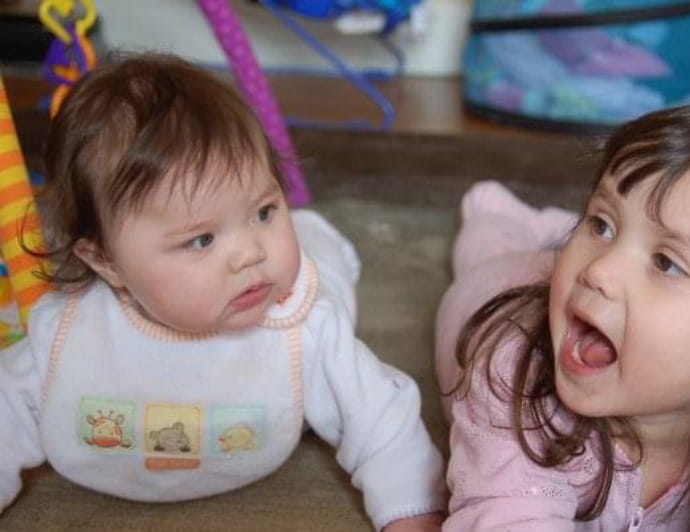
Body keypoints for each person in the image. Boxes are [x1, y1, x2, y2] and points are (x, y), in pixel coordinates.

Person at [0, 53, 445, 532]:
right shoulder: (64, 336)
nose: (249, 253)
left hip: (295, 285)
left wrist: (411, 515)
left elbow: (382, 420)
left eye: (264, 211)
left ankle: (314, 234)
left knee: (321, 268)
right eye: (202, 239)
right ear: (106, 262)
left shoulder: (305, 326)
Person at [435, 104, 690, 531]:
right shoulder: (514, 373)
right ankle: (496, 215)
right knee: (493, 250)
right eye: (601, 223)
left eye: (666, 262)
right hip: (497, 286)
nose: (598, 270)